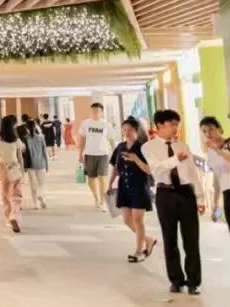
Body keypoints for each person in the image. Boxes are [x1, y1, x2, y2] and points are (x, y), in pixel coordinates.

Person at [142, 109, 205, 295]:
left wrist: (200, 197)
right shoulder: (149, 147)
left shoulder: (182, 146)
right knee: (170, 239)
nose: (175, 128)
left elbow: (192, 173)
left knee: (191, 240)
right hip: (165, 194)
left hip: (186, 194)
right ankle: (176, 280)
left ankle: (193, 281)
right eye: (171, 124)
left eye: (177, 124)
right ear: (160, 126)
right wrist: (176, 159)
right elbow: (157, 170)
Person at [201, 116, 230, 292]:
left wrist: (218, 150)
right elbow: (217, 179)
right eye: (204, 131)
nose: (208, 133)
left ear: (220, 129)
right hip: (228, 195)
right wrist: (215, 203)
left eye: (211, 128)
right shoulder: (210, 153)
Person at [108, 117, 156, 264]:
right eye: (124, 129)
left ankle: (139, 251)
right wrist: (110, 183)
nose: (126, 132)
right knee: (127, 220)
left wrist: (136, 159)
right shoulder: (120, 147)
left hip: (139, 186)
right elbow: (116, 167)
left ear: (136, 130)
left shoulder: (143, 148)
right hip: (124, 186)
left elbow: (149, 170)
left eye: (129, 130)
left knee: (137, 220)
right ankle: (148, 239)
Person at [78, 103, 115, 210]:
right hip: (89, 154)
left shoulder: (106, 124)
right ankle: (96, 197)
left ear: (101, 112)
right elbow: (82, 139)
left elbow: (111, 139)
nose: (95, 112)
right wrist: (80, 154)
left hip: (103, 154)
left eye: (97, 110)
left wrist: (115, 152)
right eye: (93, 110)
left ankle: (103, 202)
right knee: (91, 179)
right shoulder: (86, 123)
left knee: (102, 178)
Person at [0, 115, 25, 233]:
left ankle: (8, 218)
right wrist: (22, 171)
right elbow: (20, 157)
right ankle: (14, 215)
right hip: (15, 167)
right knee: (16, 194)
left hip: (3, 168)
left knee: (5, 194)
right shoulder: (16, 140)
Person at [22, 117, 49, 210]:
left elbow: (23, 152)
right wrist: (47, 164)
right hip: (41, 163)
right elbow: (44, 152)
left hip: (30, 165)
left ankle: (35, 204)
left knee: (33, 185)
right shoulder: (41, 138)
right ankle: (41, 197)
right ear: (35, 127)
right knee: (41, 184)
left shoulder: (25, 139)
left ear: (26, 128)